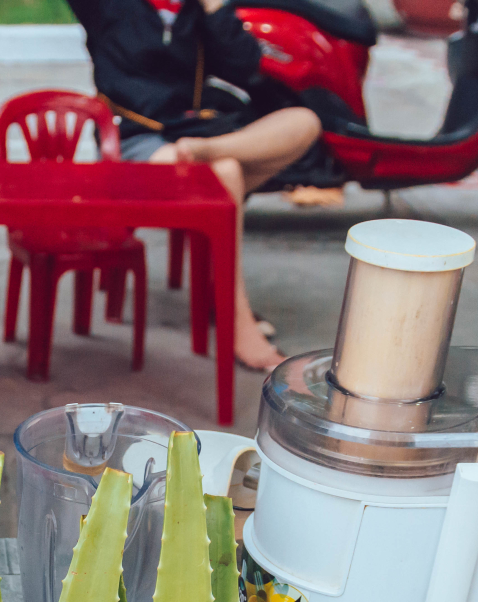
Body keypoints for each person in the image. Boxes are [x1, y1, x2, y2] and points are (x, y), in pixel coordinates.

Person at [67, 0, 323, 371]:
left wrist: (216, 9)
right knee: (227, 174)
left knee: (304, 121)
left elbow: (245, 65)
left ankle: (207, 153)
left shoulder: (194, 11)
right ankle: (241, 327)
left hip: (197, 136)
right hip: (136, 139)